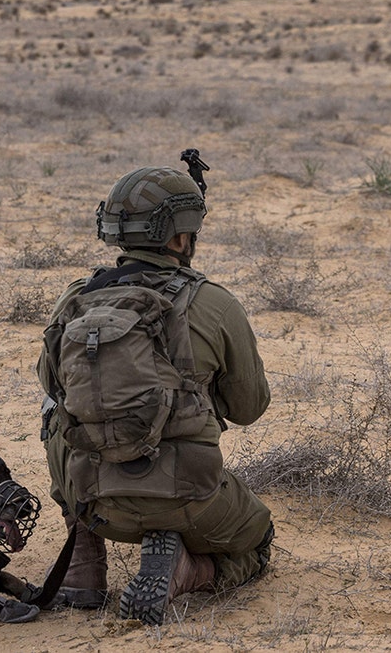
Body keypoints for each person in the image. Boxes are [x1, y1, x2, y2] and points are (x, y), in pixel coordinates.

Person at [34, 164, 274, 625]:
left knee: (53, 408)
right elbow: (249, 408)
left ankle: (83, 563)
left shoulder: (76, 301)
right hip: (191, 501)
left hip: (96, 503)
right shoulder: (215, 303)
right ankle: (190, 569)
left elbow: (52, 387)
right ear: (181, 237)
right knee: (258, 542)